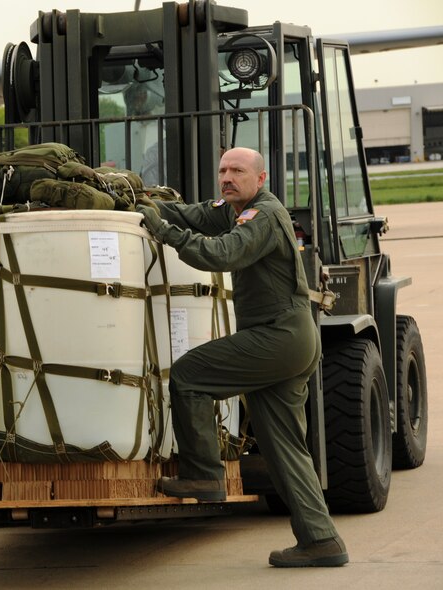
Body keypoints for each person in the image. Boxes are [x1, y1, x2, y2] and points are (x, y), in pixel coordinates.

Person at [137, 147, 348, 568]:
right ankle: (322, 540)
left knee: (189, 374)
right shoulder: (234, 207)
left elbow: (221, 255)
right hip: (286, 339)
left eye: (237, 170)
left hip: (279, 337)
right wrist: (142, 203)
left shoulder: (262, 216)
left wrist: (165, 234)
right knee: (285, 448)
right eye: (222, 171)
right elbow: (196, 214)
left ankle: (204, 475)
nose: (227, 177)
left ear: (261, 178)